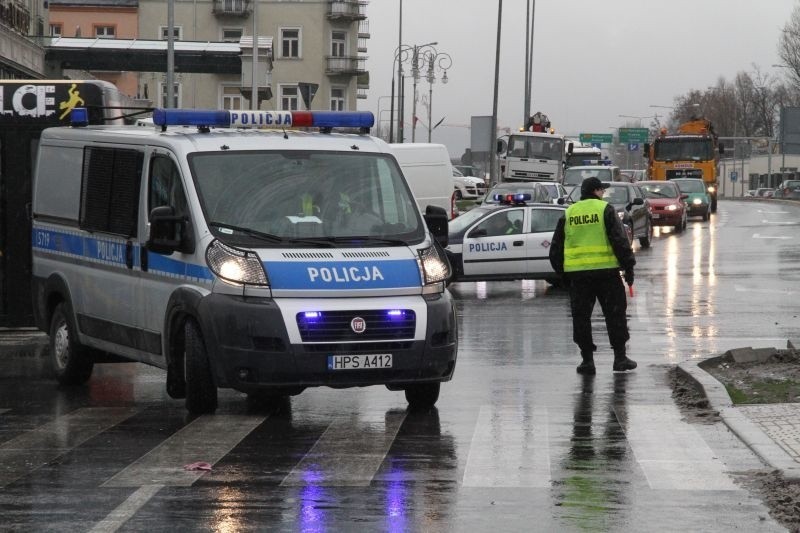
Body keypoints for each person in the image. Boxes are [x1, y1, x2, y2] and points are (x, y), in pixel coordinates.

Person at [549, 177, 637, 375]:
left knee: (581, 318)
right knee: (615, 315)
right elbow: (619, 240)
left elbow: (556, 248)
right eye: (602, 190)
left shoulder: (569, 213)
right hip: (606, 274)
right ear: (596, 191)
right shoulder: (605, 210)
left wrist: (563, 275)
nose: (603, 194)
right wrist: (628, 266)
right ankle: (620, 358)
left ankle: (587, 361)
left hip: (579, 278)